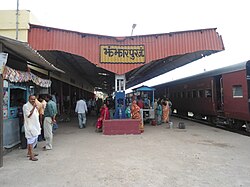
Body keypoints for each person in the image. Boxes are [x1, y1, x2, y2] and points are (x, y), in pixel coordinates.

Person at [23, 95, 41, 161]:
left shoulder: (35, 105)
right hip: (30, 126)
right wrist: (33, 108)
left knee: (35, 139)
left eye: (34, 99)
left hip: (35, 125)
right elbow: (28, 115)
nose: (33, 100)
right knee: (30, 141)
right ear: (29, 99)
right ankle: (31, 156)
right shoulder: (26, 106)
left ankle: (29, 153)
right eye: (31, 99)